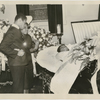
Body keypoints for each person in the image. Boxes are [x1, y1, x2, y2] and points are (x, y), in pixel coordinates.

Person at [0, 13, 28, 93]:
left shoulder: (15, 30)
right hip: (16, 63)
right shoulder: (12, 31)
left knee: (19, 86)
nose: (25, 24)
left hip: (19, 63)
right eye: (24, 22)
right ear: (19, 20)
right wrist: (16, 53)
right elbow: (2, 46)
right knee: (18, 88)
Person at [21, 23, 39, 93]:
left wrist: (35, 51)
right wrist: (35, 48)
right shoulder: (19, 38)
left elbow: (31, 46)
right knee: (25, 83)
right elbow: (26, 50)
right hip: (22, 62)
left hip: (29, 61)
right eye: (24, 28)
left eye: (27, 28)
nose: (26, 29)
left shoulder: (28, 36)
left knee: (29, 80)